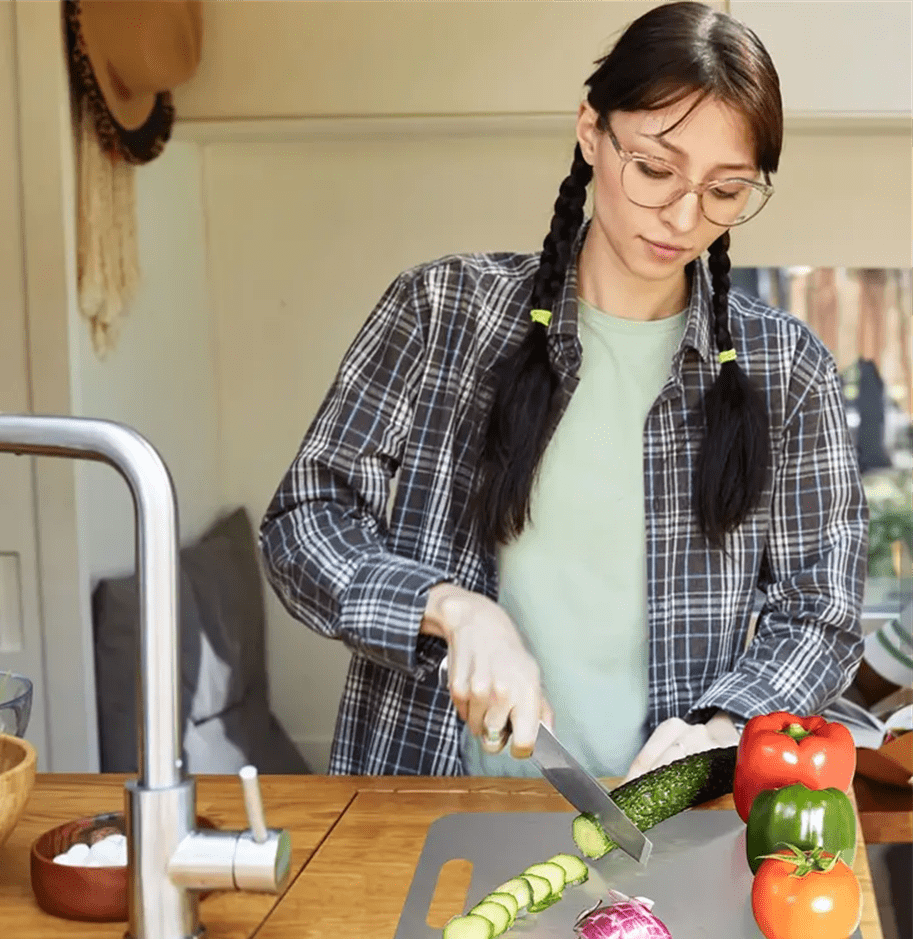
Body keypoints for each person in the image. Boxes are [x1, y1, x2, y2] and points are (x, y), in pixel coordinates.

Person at [259, 1, 869, 779]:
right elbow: (304, 520)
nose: (683, 217)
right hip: (428, 796)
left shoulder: (786, 368)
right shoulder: (443, 311)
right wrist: (449, 609)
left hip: (656, 816)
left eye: (724, 191)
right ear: (590, 131)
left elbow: (821, 610)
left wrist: (723, 729)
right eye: (654, 170)